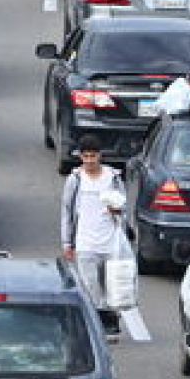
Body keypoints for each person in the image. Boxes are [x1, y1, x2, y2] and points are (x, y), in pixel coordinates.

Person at [59, 134, 127, 336]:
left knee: (109, 283)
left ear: (100, 156)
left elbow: (124, 206)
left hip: (110, 241)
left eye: (93, 156)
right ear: (80, 157)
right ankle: (95, 323)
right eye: (86, 156)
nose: (89, 161)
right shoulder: (75, 179)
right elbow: (66, 210)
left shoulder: (113, 178)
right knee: (89, 285)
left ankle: (111, 319)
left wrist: (118, 211)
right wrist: (67, 243)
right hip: (85, 242)